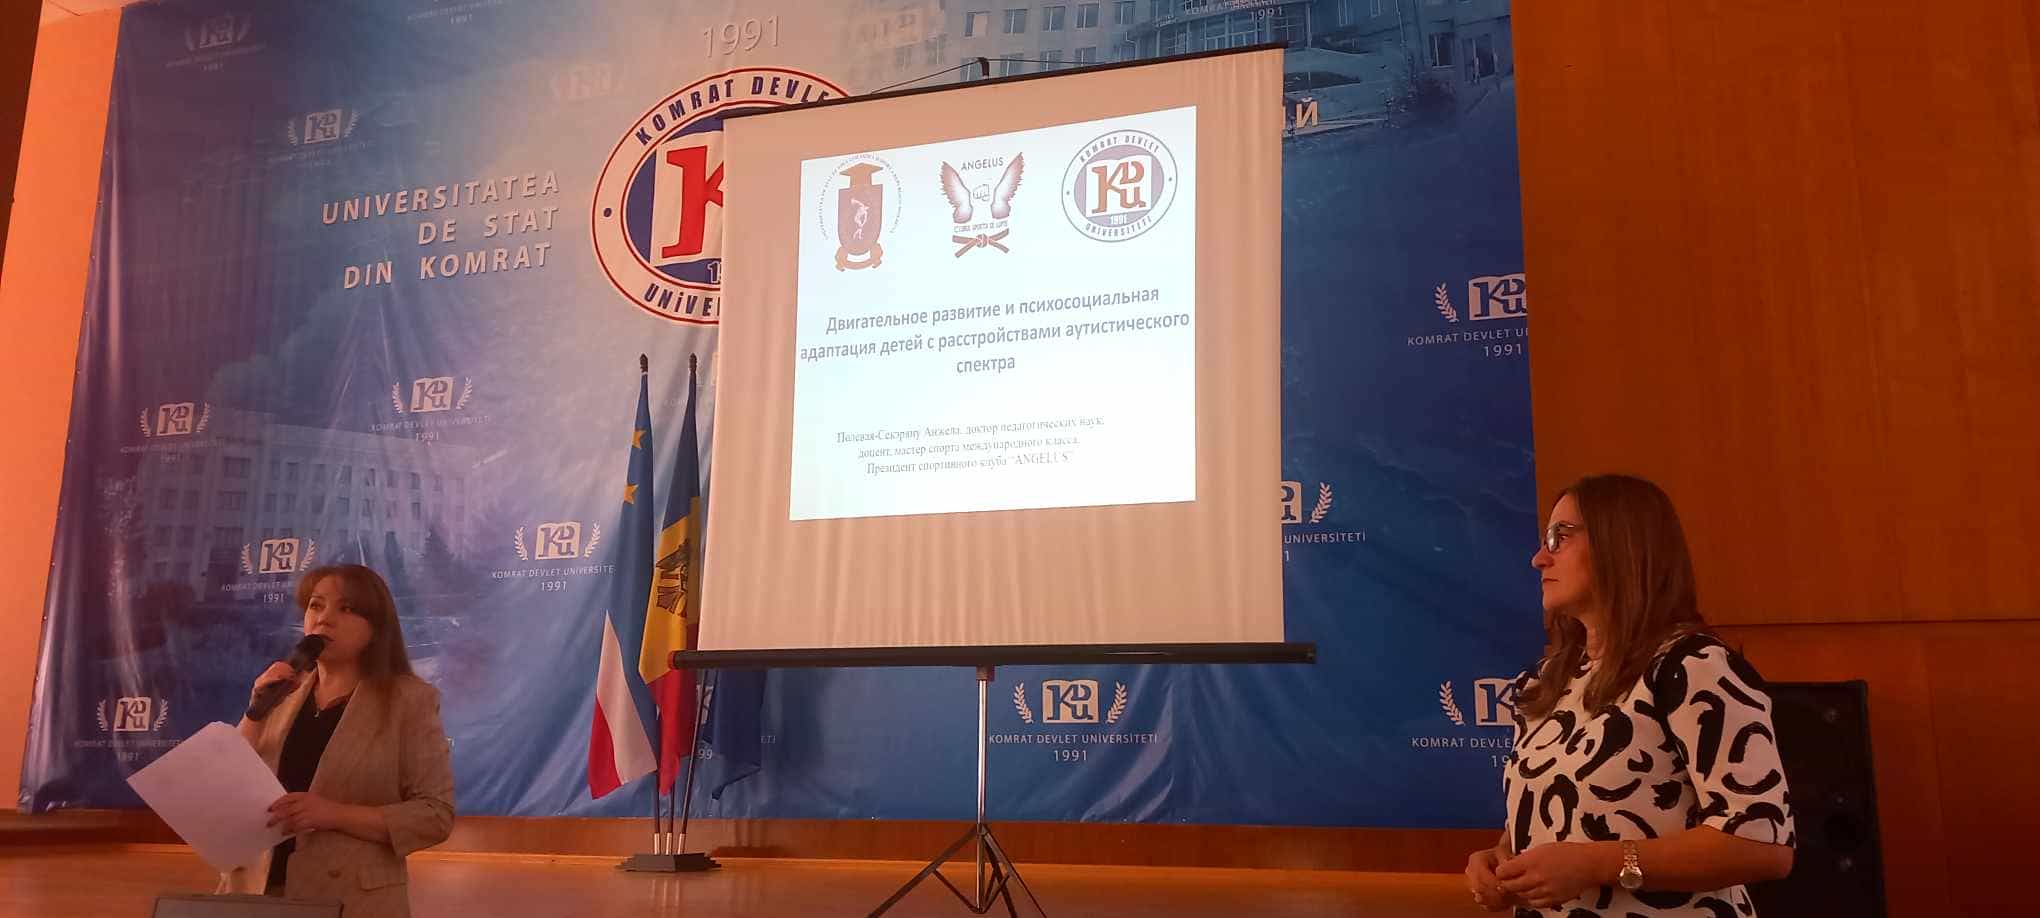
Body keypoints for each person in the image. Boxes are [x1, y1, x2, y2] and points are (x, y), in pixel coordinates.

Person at [1465, 475, 1795, 916]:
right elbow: (1560, 825)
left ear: (1619, 544)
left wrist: (1595, 864)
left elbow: (1764, 845)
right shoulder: (1545, 681)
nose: (1539, 558)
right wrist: (1501, 857)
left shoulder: (1692, 666)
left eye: (1560, 537)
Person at [216, 563, 455, 918]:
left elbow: (434, 815)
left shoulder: (410, 701)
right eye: (316, 605)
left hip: (352, 899)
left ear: (376, 628)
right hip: (254, 891)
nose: (324, 619)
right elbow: (227, 781)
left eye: (346, 608)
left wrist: (334, 814)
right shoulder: (281, 694)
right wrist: (255, 713)